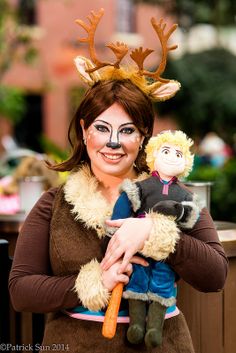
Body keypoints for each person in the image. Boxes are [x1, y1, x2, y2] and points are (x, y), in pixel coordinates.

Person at [9, 9, 228, 353]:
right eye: (101, 128)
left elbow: (215, 276)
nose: (113, 143)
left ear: (143, 137)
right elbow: (21, 291)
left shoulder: (175, 198)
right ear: (84, 131)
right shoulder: (54, 204)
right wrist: (96, 282)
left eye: (127, 131)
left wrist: (157, 234)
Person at [106, 130, 203, 349]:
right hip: (137, 253)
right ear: (153, 155)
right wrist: (115, 229)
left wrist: (175, 213)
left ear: (186, 162)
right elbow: (123, 209)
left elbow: (190, 220)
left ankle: (154, 329)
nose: (171, 157)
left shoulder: (185, 196)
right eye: (166, 151)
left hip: (166, 256)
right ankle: (137, 325)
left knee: (162, 285)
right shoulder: (142, 187)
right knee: (137, 281)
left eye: (178, 154)